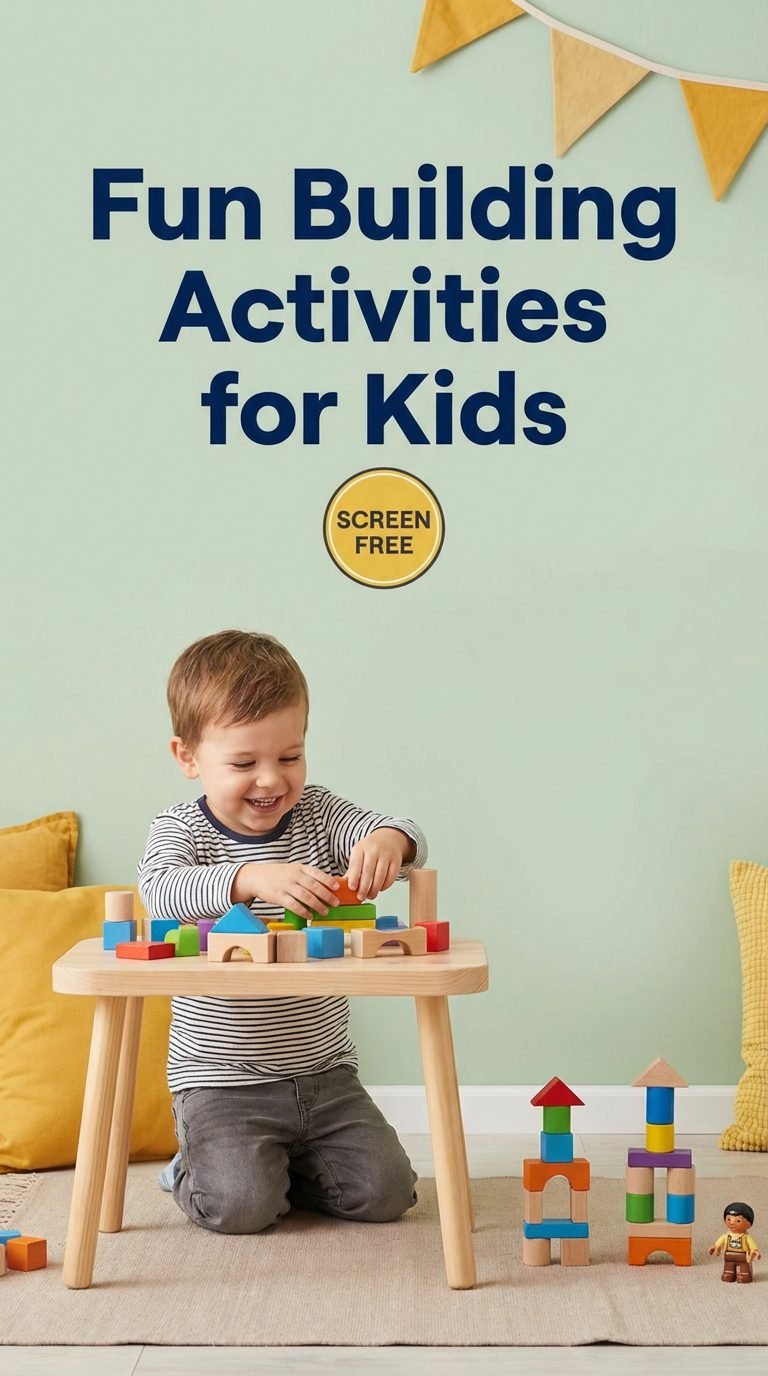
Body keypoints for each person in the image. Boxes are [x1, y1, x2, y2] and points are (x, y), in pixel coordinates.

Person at [138, 628, 427, 1234]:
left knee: (388, 1194)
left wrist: (389, 841)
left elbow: (402, 831)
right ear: (187, 757)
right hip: (221, 1082)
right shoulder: (180, 830)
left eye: (289, 756)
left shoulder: (320, 813)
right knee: (240, 1208)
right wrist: (246, 877)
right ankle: (192, 1167)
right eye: (244, 762)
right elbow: (159, 890)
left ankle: (288, 1168)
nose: (271, 780)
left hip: (326, 1074)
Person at [709, 1202, 761, 1283]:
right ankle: (729, 1273)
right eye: (729, 1219)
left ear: (749, 1224)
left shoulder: (746, 1237)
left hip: (743, 1256)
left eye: (738, 1221)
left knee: (744, 1267)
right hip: (729, 1255)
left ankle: (745, 1275)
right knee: (729, 1266)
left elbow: (752, 1246)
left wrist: (754, 1251)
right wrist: (715, 1246)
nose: (732, 1223)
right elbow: (720, 1242)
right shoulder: (726, 1236)